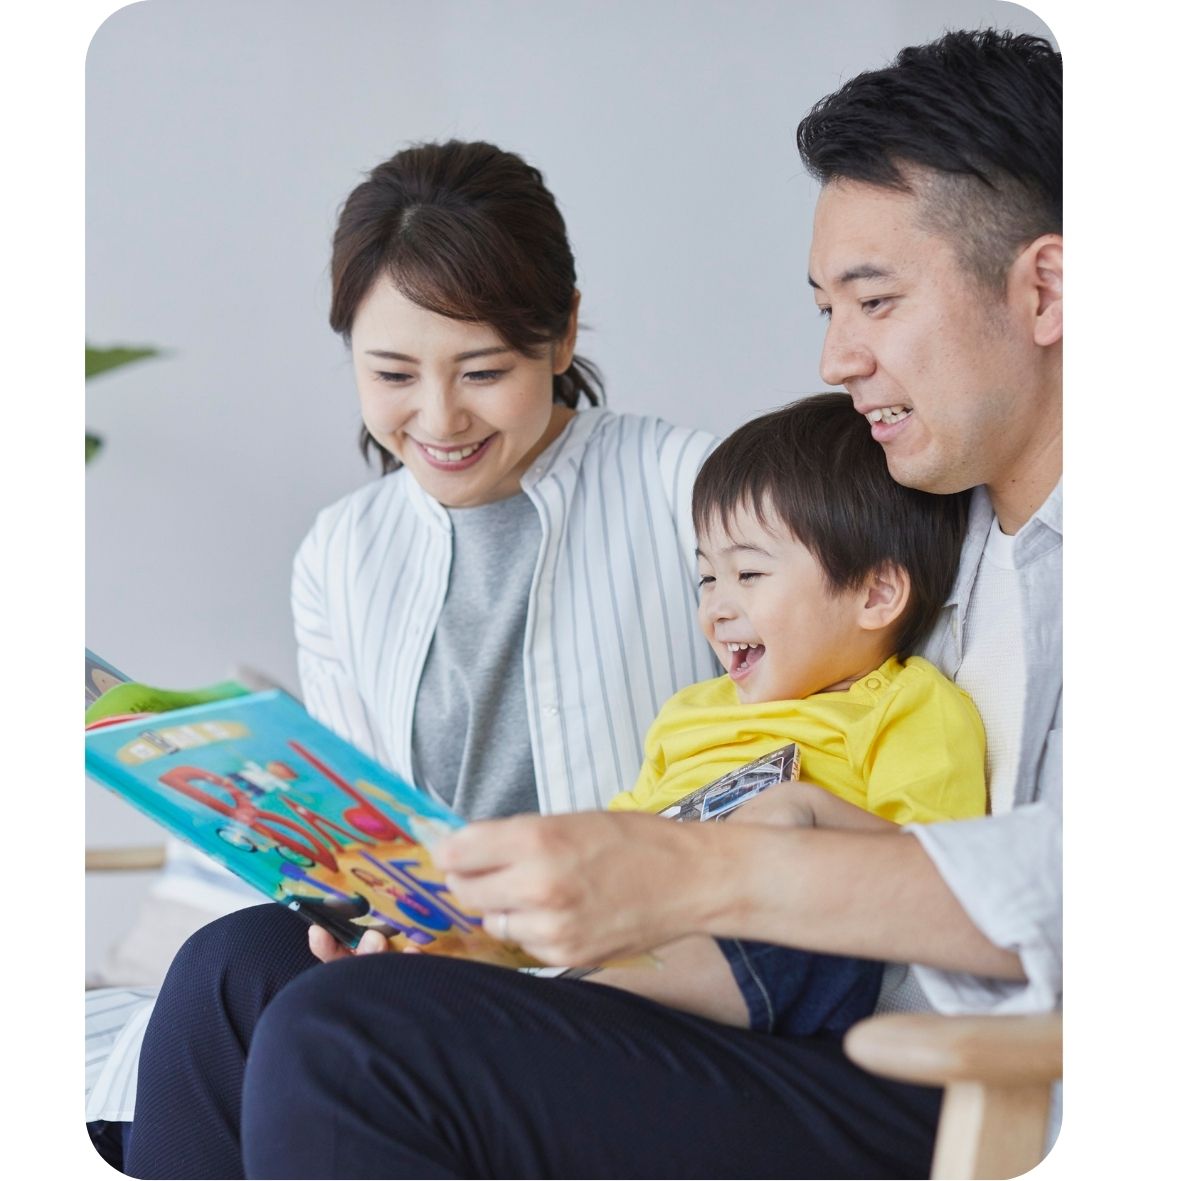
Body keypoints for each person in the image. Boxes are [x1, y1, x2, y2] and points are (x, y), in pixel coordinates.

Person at [220, 28, 1060, 1179]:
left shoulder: (775, 510)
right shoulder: (926, 510)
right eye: (824, 307)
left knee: (345, 1037)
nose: (831, 359)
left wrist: (696, 872)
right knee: (246, 971)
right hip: (704, 962)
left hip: (886, 1039)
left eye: (870, 301)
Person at [104, 139, 720, 1175]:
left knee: (307, 1013)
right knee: (225, 964)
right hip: (449, 969)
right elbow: (360, 818)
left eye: (482, 371)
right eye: (391, 373)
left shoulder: (691, 489)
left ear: (562, 329)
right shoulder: (343, 551)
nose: (436, 419)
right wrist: (357, 915)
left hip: (643, 982)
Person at [593, 393, 986, 1038]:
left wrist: (805, 818)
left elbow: (943, 878)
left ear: (875, 593)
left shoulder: (909, 705)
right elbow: (629, 829)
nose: (716, 608)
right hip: (650, 928)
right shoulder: (689, 711)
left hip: (783, 955)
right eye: (706, 579)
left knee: (801, 893)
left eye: (748, 573)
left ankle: (589, 997)